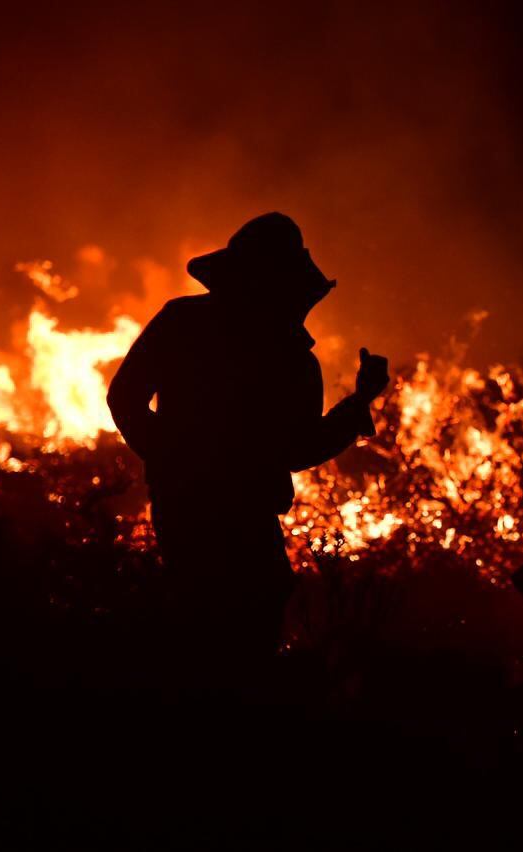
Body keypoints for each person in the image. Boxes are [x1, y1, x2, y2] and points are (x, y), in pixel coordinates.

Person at [107, 212, 389, 670]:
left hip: (201, 508)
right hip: (232, 514)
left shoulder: (190, 324)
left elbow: (125, 397)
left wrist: (167, 458)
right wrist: (357, 403)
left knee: (210, 624)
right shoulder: (286, 356)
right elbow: (300, 450)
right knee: (237, 629)